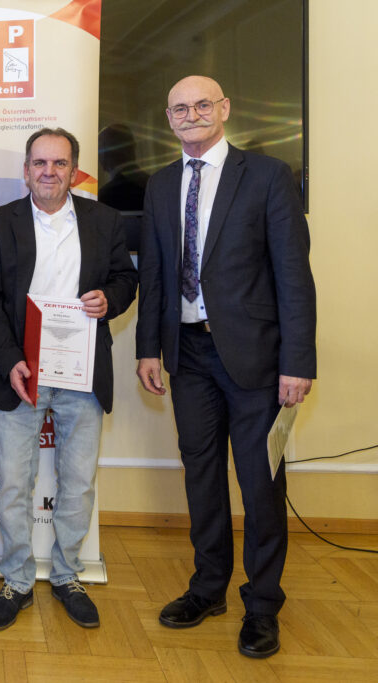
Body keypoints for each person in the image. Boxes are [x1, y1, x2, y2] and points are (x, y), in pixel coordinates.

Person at [136, 75, 316, 658]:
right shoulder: (161, 185)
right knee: (202, 476)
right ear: (169, 119)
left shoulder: (266, 177)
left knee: (261, 484)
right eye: (180, 108)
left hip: (257, 361)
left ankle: (262, 605)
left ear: (225, 109)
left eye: (202, 104)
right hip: (187, 356)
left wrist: (297, 360)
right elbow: (156, 276)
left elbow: (294, 275)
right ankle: (208, 587)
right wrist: (147, 348)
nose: (192, 114)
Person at [0, 128, 137, 631]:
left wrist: (110, 299)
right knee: (15, 484)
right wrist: (8, 360)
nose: (49, 171)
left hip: (83, 373)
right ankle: (18, 580)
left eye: (59, 163)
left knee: (79, 483)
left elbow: (126, 279)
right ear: (26, 170)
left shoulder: (105, 220)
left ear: (75, 170)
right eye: (39, 163)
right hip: (20, 372)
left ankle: (67, 575)